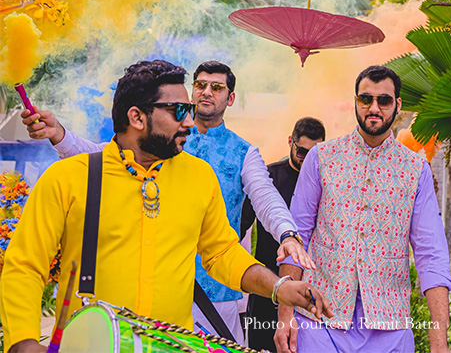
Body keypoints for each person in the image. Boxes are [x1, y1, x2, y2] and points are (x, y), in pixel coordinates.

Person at [1, 60, 332, 353]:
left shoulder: (200, 175)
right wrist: (23, 341)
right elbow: (25, 265)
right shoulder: (69, 178)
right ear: (137, 117)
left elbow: (223, 252)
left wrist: (278, 284)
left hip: (179, 338)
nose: (188, 121)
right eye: (179, 111)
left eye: (190, 109)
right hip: (89, 343)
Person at [275, 65, 451, 353]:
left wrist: (439, 343)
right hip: (319, 320)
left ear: (397, 105)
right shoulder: (322, 158)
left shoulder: (415, 169)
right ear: (356, 101)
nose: (374, 108)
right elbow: (297, 238)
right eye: (366, 99)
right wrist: (285, 316)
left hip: (390, 328)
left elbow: (430, 255)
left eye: (384, 100)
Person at [241, 117, 326, 352]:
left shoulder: (326, 181)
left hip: (309, 289)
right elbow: (241, 225)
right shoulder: (269, 177)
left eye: (314, 153)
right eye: (301, 151)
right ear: (290, 142)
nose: (306, 158)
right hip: (267, 284)